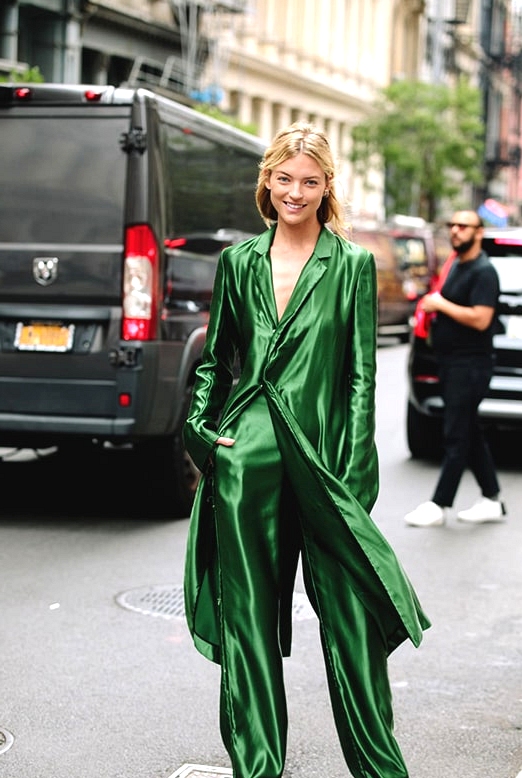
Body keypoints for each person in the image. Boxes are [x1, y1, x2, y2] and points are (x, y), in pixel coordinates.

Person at [183, 121, 430, 778]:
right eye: (284, 179)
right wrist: (199, 433)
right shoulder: (238, 262)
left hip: (325, 466)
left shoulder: (350, 264)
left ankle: (381, 768)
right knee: (249, 626)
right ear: (267, 181)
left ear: (326, 189)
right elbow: (216, 362)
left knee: (352, 624)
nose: (295, 192)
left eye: (310, 182)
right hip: (246, 457)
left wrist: (353, 476)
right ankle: (257, 766)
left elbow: (360, 376)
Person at [404, 210, 506, 528]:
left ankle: (439, 504)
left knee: (456, 435)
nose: (456, 231)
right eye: (452, 226)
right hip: (450, 363)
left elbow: (481, 318)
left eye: (464, 226)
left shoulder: (484, 271)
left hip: (470, 365)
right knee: (469, 430)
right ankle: (491, 498)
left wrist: (440, 304)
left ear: (479, 232)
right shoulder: (457, 266)